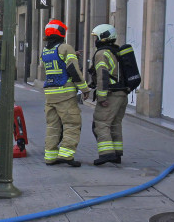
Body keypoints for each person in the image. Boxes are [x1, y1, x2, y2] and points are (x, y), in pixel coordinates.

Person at [40, 19, 90, 167]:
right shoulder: (66, 48)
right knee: (72, 124)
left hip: (50, 95)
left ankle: (50, 157)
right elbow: (74, 70)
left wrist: (72, 54)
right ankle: (66, 155)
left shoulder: (45, 51)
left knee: (53, 126)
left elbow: (56, 63)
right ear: (61, 33)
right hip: (65, 94)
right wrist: (84, 89)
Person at [90, 23, 128, 165]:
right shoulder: (116, 51)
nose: (95, 40)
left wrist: (102, 97)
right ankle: (117, 154)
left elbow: (102, 76)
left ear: (103, 36)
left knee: (101, 123)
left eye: (96, 37)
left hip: (111, 95)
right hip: (122, 94)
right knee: (115, 124)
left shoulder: (102, 53)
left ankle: (106, 154)